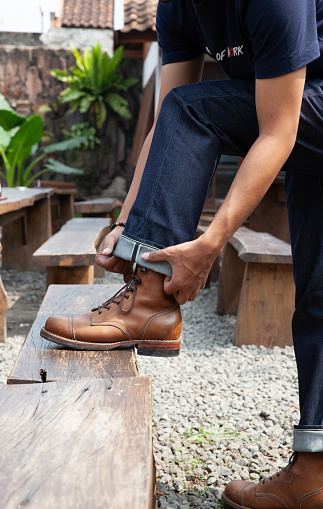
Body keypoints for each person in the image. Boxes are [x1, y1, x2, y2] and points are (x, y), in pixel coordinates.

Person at [41, 0, 323, 506]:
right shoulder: (177, 9)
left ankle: (149, 302)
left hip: (302, 110)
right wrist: (126, 223)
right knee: (320, 297)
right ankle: (315, 473)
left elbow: (277, 131)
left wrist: (210, 243)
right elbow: (165, 125)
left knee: (198, 105)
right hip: (305, 116)